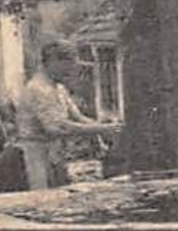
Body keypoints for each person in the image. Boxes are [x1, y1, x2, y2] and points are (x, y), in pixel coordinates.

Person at [15, 40, 120, 189]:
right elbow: (58, 127)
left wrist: (107, 126)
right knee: (41, 198)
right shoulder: (38, 89)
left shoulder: (58, 88)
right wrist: (102, 129)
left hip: (54, 154)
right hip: (34, 155)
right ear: (52, 61)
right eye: (68, 64)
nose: (71, 70)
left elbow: (78, 117)